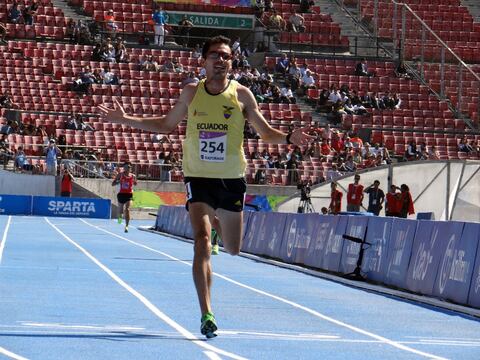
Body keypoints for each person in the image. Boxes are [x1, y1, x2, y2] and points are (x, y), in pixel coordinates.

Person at [97, 35, 314, 339]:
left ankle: (216, 222)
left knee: (234, 248)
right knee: (200, 242)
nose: (221, 60)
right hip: (198, 178)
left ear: (231, 62)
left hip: (231, 180)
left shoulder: (242, 95)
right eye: (215, 55)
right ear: (204, 61)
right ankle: (206, 314)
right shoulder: (191, 92)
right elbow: (165, 125)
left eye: (226, 56)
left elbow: (265, 133)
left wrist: (289, 137)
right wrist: (126, 119)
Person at [112, 162, 137, 233]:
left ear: (130, 168)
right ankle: (120, 219)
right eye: (126, 167)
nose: (128, 168)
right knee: (121, 211)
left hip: (129, 194)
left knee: (127, 209)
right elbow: (113, 184)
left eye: (129, 167)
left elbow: (135, 183)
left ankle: (126, 226)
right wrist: (118, 182)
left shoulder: (133, 176)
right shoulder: (120, 175)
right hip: (121, 194)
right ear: (124, 168)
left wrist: (135, 183)